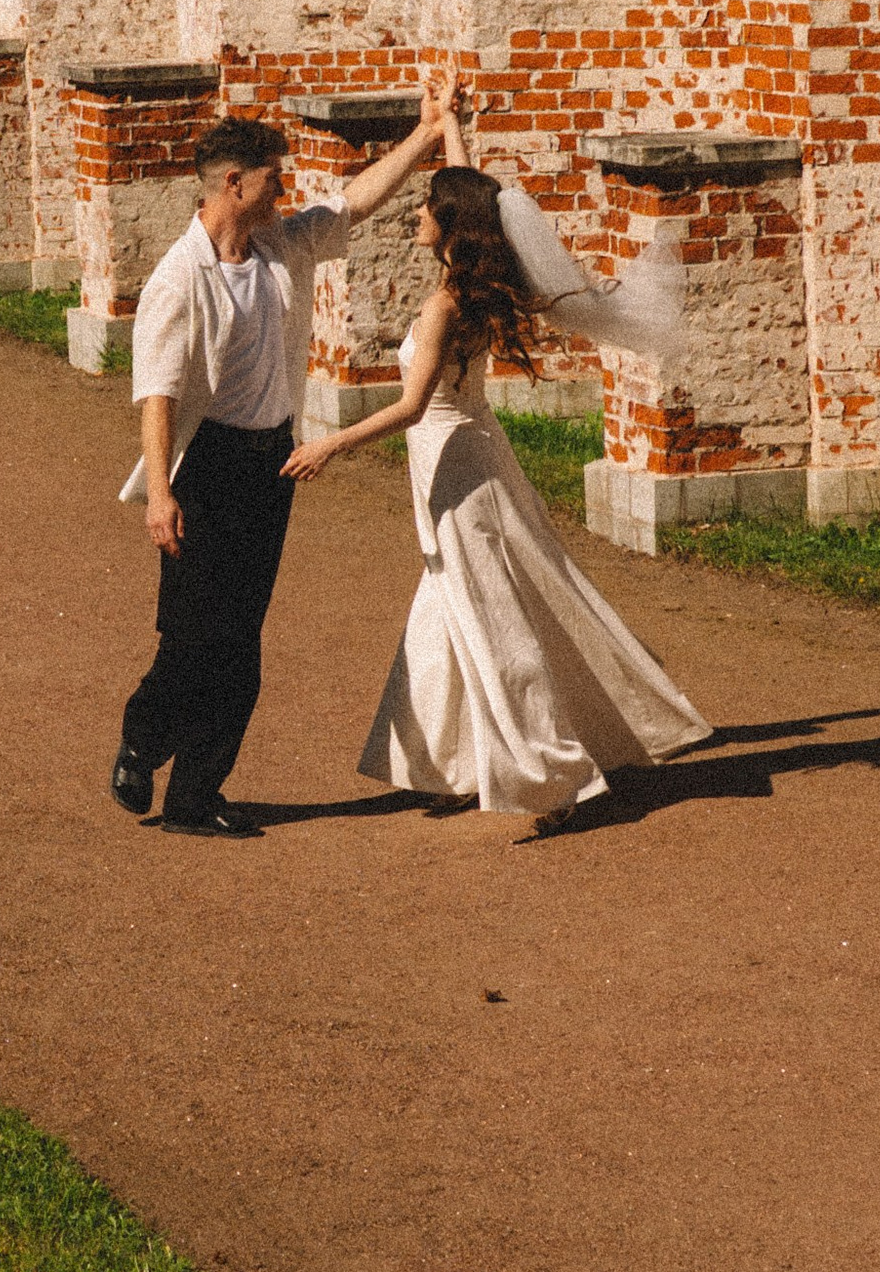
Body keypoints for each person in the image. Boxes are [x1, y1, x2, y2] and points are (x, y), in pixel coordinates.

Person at [282, 94, 707, 825]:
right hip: (472, 455)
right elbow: (470, 190)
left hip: (455, 469)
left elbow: (412, 408)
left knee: (491, 618)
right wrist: (446, 120)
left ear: (449, 228)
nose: (415, 216)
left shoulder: (447, 305)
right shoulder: (474, 276)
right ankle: (445, 760)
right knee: (451, 610)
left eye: (425, 210)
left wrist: (330, 444)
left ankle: (553, 774)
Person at [112, 90, 446, 835]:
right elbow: (158, 394)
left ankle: (194, 797)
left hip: (271, 467)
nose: (285, 190)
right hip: (206, 468)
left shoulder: (282, 244)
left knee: (239, 641)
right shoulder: (177, 280)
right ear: (235, 183)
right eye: (273, 178)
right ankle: (144, 737)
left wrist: (426, 134)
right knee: (195, 635)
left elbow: (352, 203)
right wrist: (161, 494)